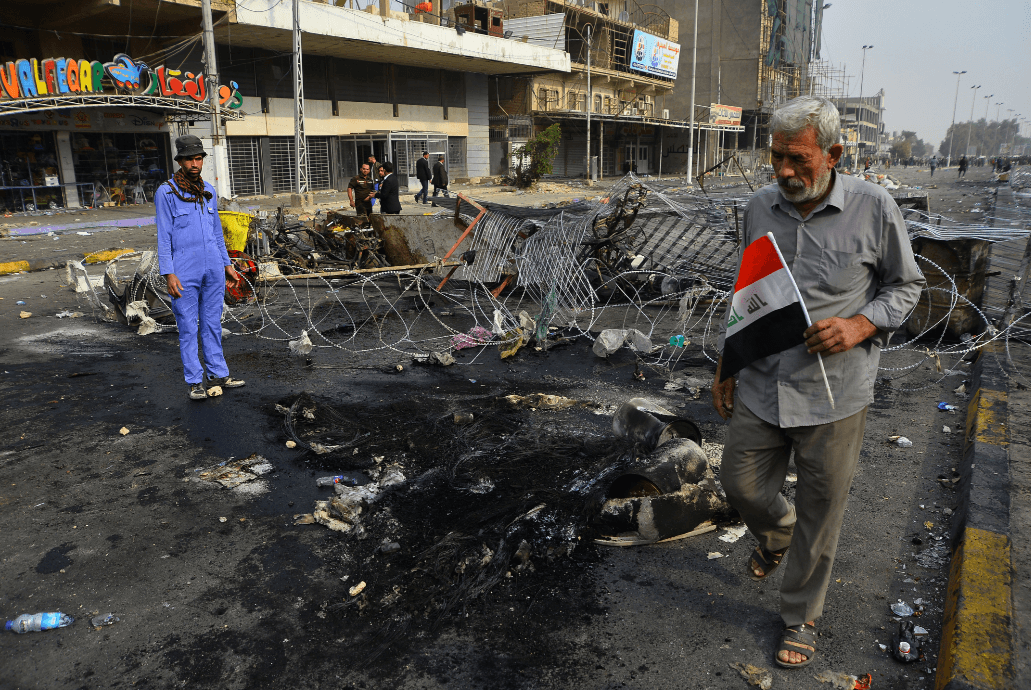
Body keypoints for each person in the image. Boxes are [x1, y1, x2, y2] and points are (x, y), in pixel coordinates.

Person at [710, 96, 924, 669]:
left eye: (797, 159)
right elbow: (747, 291)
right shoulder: (760, 207)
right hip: (761, 381)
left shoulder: (874, 208)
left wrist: (858, 324)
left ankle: (800, 615)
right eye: (776, 157)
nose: (783, 171)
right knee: (740, 484)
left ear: (833, 154)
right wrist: (726, 364)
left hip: (835, 394)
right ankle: (776, 536)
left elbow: (906, 287)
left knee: (820, 509)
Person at [156, 135, 246, 401]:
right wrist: (168, 273)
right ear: (180, 161)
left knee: (212, 323)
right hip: (184, 271)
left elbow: (217, 232)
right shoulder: (167, 192)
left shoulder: (207, 190)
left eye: (198, 159)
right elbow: (163, 235)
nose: (194, 164)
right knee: (187, 326)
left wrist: (227, 264)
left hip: (213, 269)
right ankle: (195, 381)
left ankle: (218, 374)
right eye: (189, 159)